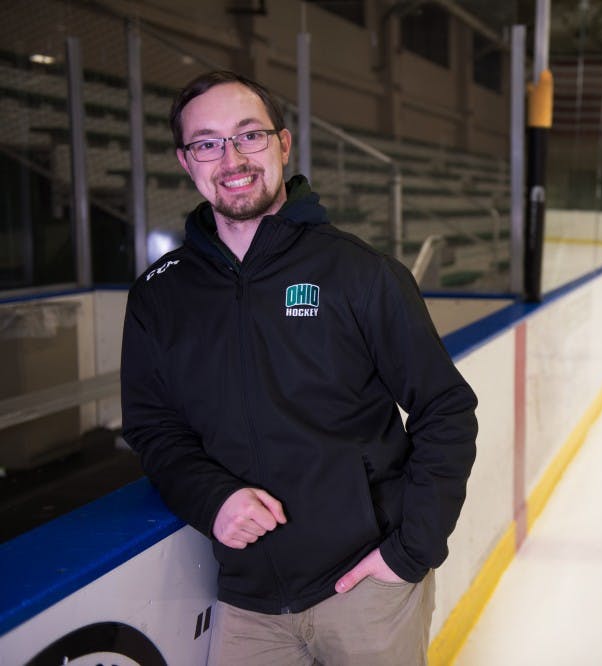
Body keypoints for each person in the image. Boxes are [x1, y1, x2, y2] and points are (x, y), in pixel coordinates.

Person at [120, 70, 478, 665]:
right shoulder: (161, 296)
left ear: (284, 145)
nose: (231, 158)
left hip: (367, 589)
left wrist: (409, 552)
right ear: (187, 162)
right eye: (207, 143)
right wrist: (212, 499)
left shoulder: (360, 273)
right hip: (247, 601)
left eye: (249, 135)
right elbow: (155, 429)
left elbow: (446, 408)